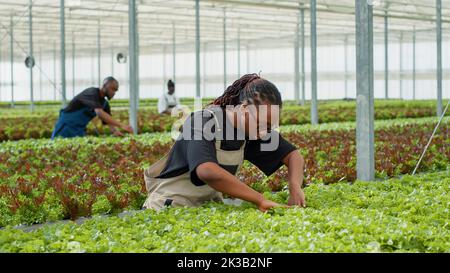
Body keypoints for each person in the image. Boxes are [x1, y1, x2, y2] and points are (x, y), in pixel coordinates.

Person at [142, 73, 306, 212]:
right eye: (262, 124)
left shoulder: (251, 131)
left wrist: (294, 186)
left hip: (204, 209)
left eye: (269, 126)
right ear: (243, 109)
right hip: (168, 208)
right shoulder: (203, 121)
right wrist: (259, 199)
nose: (264, 132)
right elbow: (207, 171)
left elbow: (293, 156)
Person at [51, 77, 133, 139]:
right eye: (113, 89)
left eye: (116, 91)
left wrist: (115, 131)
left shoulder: (105, 103)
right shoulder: (92, 93)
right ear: (104, 86)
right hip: (66, 125)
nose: (114, 93)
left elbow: (108, 121)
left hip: (79, 129)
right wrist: (122, 125)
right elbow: (100, 113)